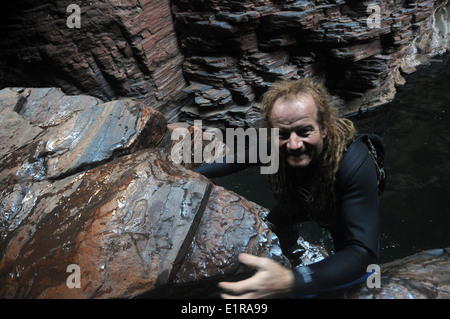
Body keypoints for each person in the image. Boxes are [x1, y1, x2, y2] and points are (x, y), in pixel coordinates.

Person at [194, 78, 381, 298]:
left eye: (304, 131)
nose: (293, 145)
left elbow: (363, 254)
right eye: (283, 134)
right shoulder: (277, 144)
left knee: (348, 280)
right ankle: (288, 256)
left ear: (324, 128)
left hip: (339, 215)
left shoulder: (355, 165)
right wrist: (190, 175)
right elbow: (233, 162)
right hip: (301, 202)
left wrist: (293, 280)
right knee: (272, 226)